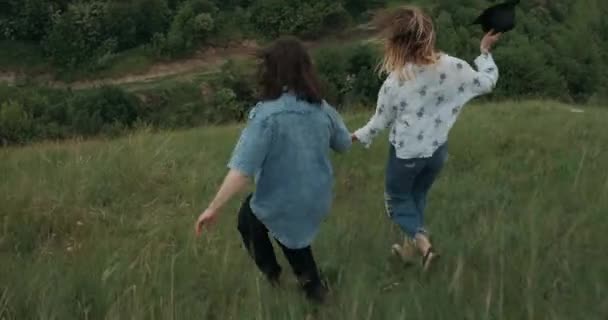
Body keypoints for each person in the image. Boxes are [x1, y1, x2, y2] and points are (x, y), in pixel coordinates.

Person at [194, 36, 352, 303]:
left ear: (271, 71)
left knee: (287, 239)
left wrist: (213, 208)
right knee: (251, 218)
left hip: (285, 202)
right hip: (316, 198)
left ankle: (296, 286)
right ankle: (290, 280)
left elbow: (242, 170)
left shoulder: (266, 116)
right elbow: (344, 144)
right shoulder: (322, 109)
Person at [351, 6, 501, 271]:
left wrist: (355, 136)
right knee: (417, 196)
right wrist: (485, 52)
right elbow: (487, 82)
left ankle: (424, 247)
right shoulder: (453, 66)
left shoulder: (395, 82)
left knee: (396, 202)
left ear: (395, 44)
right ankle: (410, 251)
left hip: (406, 157)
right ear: (429, 37)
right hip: (436, 153)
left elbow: (379, 122)